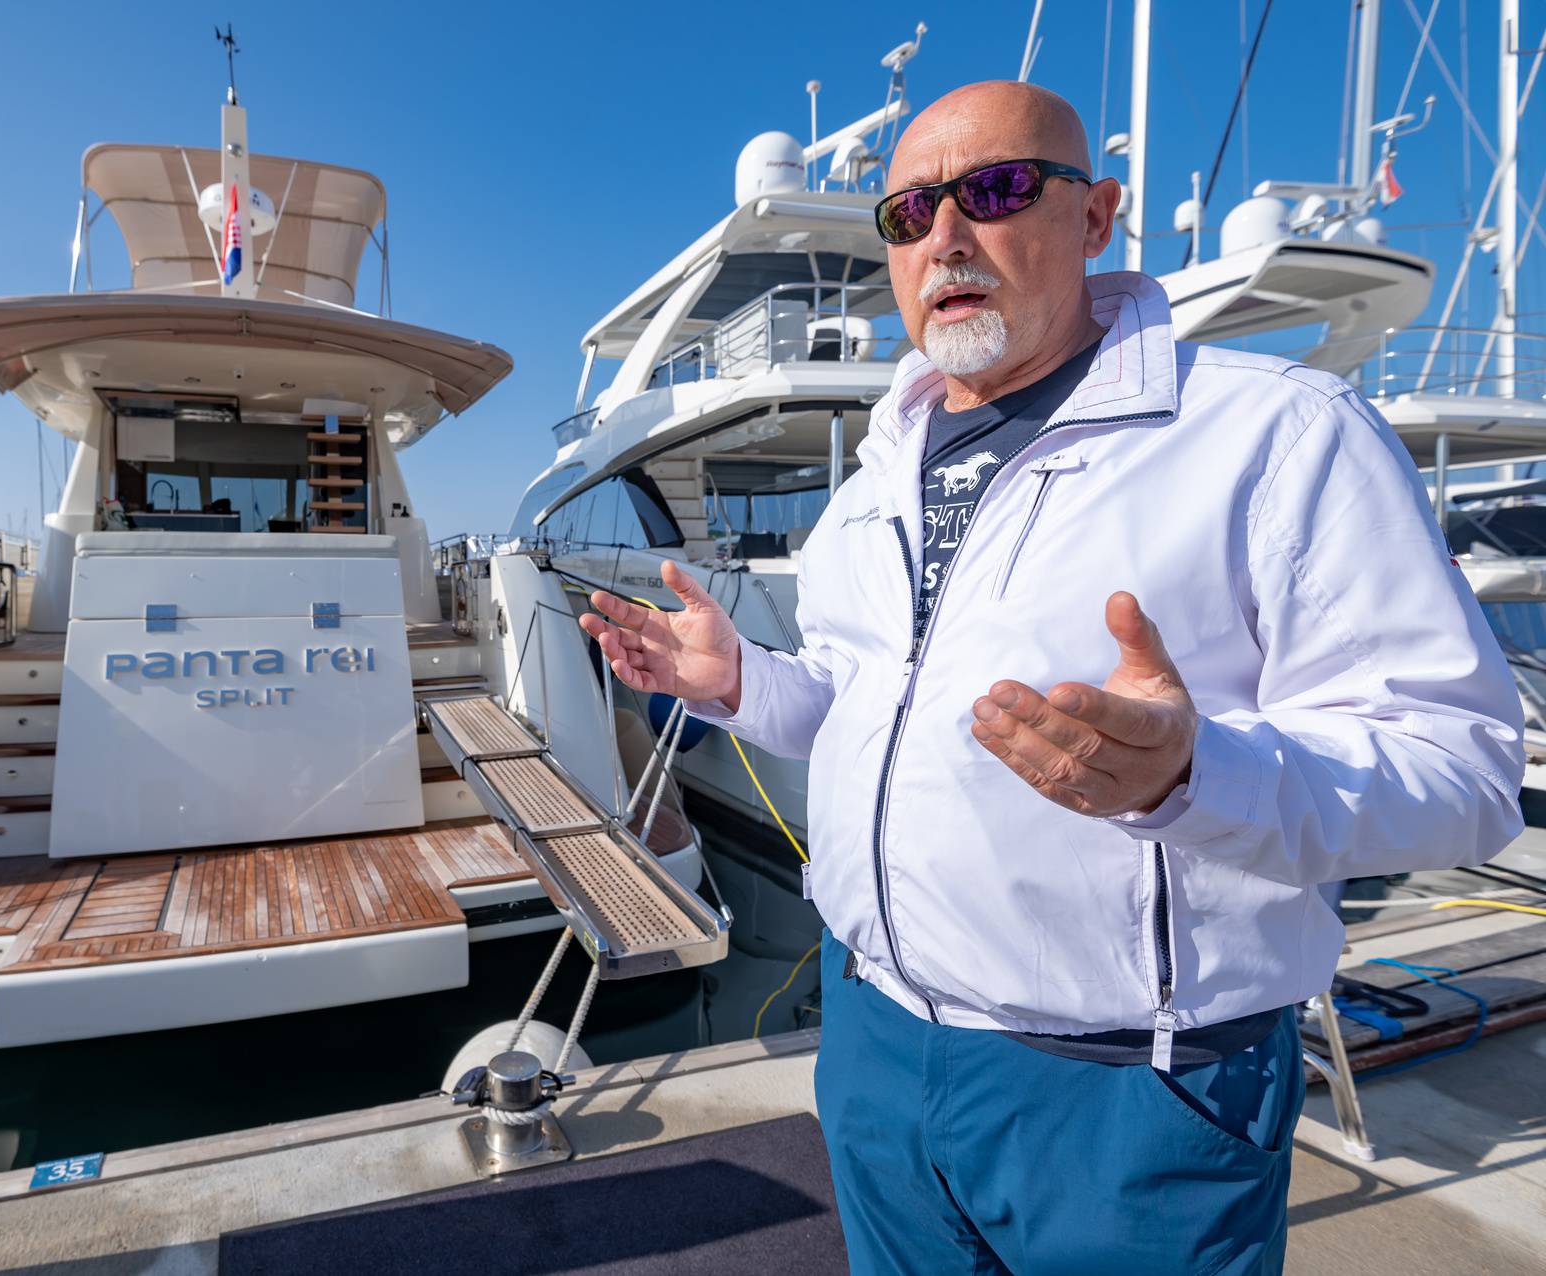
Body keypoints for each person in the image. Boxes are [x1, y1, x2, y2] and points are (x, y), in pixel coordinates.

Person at [580, 81, 1523, 1274]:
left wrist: (1194, 771)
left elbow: (1468, 768)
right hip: (872, 1040)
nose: (948, 237)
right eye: (911, 212)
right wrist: (743, 684)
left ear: (1096, 218)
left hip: (1130, 1094)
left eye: (997, 190)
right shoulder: (875, 481)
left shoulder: (1275, 437)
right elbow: (873, 705)